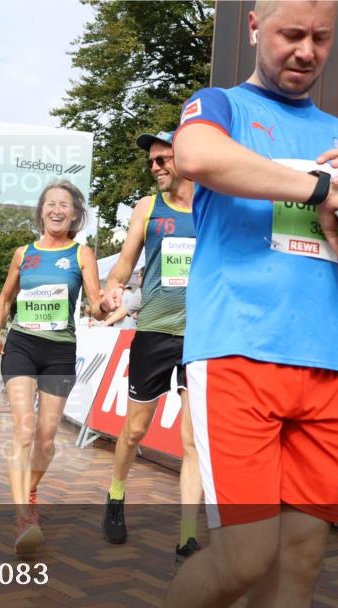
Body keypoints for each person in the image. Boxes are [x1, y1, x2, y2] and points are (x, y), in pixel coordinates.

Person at [122, 3, 338, 608]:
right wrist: (316, 187)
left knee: (300, 559)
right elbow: (195, 155)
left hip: (325, 367)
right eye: (291, 34)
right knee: (247, 556)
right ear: (254, 27)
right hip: (238, 357)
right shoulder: (220, 106)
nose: (306, 51)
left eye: (321, 38)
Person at [100, 130, 202, 564]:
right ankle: (116, 494)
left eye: (164, 159)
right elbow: (124, 263)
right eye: (152, 162)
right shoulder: (147, 207)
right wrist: (112, 288)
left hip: (201, 336)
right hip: (155, 330)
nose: (156, 167)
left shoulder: (212, 205)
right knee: (136, 429)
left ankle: (187, 536)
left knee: (194, 441)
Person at [0, 180, 104, 554]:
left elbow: (94, 302)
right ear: (41, 210)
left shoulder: (81, 253)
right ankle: (24, 516)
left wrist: (106, 303)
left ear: (75, 214)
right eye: (51, 204)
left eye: (65, 205)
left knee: (46, 438)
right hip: (22, 345)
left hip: (59, 351)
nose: (57, 210)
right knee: (23, 429)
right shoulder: (24, 253)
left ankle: (30, 488)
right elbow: (6, 298)